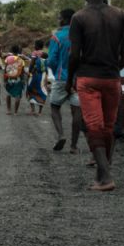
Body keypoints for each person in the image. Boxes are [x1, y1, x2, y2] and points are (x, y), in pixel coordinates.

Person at [67, 0, 124, 192]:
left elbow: (74, 54)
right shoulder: (119, 15)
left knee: (93, 126)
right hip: (112, 79)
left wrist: (70, 78)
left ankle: (106, 176)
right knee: (107, 127)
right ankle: (101, 174)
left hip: (88, 78)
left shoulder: (79, 18)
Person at [47, 8, 83, 152]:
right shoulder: (81, 36)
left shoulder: (57, 37)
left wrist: (56, 71)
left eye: (59, 17)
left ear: (63, 19)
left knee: (55, 107)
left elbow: (52, 60)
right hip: (79, 79)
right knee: (77, 111)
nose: (58, 20)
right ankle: (74, 146)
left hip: (61, 78)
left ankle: (61, 135)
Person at [26, 39, 48, 115]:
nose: (34, 46)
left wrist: (29, 71)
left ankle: (32, 110)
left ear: (37, 46)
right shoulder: (45, 53)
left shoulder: (35, 53)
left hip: (35, 75)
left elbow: (32, 63)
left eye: (35, 45)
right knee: (42, 91)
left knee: (30, 89)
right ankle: (40, 112)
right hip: (43, 75)